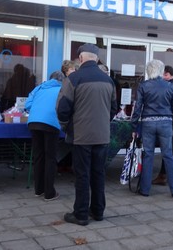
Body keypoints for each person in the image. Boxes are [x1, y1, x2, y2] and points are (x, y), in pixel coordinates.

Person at [56, 43, 118, 226]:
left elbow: (62, 109)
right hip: (102, 136)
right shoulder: (109, 81)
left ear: (80, 59)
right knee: (98, 174)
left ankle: (81, 214)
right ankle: (98, 211)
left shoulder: (73, 79)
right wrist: (102, 123)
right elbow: (113, 109)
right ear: (97, 59)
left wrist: (67, 128)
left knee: (82, 175)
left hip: (81, 136)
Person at [131, 60, 173, 197]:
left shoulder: (143, 86)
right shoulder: (170, 86)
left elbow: (137, 108)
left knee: (148, 154)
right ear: (161, 71)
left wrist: (134, 126)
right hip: (165, 123)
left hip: (148, 122)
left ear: (149, 71)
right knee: (168, 155)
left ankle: (145, 189)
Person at [25, 70, 64, 201]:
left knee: (39, 156)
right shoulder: (62, 89)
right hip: (51, 123)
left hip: (34, 122)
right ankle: (49, 193)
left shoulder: (39, 87)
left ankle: (39, 190)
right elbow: (64, 107)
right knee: (50, 158)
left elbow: (27, 105)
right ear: (61, 80)